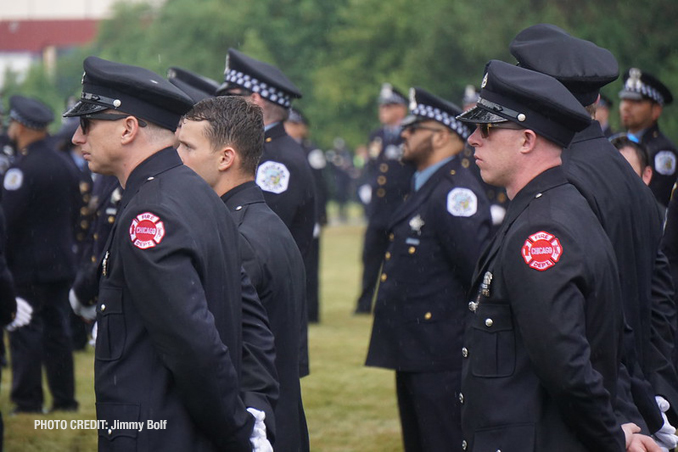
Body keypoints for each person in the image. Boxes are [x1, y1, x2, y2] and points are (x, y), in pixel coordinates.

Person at [457, 59, 660, 452]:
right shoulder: (554, 206)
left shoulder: (541, 229)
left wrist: (610, 436)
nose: (472, 139)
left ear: (527, 140)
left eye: (486, 128)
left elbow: (567, 365)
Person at [64, 56, 258, 451]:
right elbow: (253, 327)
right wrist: (252, 416)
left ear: (127, 129)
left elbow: (193, 345)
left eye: (86, 124)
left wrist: (238, 432)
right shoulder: (195, 192)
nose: (76, 139)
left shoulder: (149, 211)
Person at [510, 24, 678, 447]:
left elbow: (573, 319)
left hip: (590, 404)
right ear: (596, 101)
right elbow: (659, 296)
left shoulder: (561, 176)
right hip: (628, 392)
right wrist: (655, 392)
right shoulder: (623, 170)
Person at [177, 95, 310, 452]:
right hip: (278, 420)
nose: (177, 157)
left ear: (225, 158)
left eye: (187, 146)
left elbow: (229, 355)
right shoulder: (259, 222)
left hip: (258, 429)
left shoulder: (238, 238)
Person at [365, 87, 491, 451]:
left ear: (439, 135)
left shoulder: (455, 194)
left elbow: (477, 275)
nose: (403, 134)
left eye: (413, 127)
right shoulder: (427, 184)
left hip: (441, 353)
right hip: (417, 349)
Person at [216, 48, 313, 377]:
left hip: (267, 304)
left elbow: (259, 237)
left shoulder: (276, 159)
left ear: (254, 99)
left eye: (231, 96)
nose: (223, 105)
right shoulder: (267, 150)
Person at [2, 95, 80, 415]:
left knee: (26, 331)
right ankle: (64, 399)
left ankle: (28, 401)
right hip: (61, 264)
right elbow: (75, 213)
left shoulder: (21, 170)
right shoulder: (64, 162)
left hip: (27, 266)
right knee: (57, 332)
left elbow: (8, 222)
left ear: (20, 126)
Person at [354, 83, 414, 314]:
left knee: (397, 259)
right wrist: (367, 187)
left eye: (388, 106)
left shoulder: (409, 133)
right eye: (382, 106)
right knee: (370, 257)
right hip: (378, 208)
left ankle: (392, 302)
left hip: (400, 205)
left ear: (401, 109)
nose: (383, 111)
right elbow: (373, 166)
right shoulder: (377, 135)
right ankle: (364, 303)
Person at [285, 108, 328, 324]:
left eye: (294, 124)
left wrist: (319, 216)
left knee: (310, 267)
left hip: (310, 217)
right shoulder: (284, 150)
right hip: (293, 216)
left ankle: (312, 312)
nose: (290, 128)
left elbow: (320, 187)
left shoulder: (312, 152)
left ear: (303, 127)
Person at [619, 68, 677, 208]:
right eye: (624, 99)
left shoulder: (662, 152)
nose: (626, 106)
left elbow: (657, 202)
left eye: (636, 101)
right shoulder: (618, 142)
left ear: (656, 110)